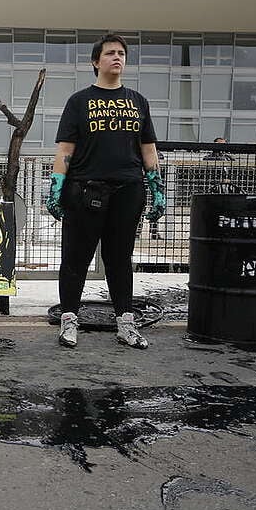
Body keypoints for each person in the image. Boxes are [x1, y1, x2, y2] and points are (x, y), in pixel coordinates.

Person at [46, 33, 165, 350]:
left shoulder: (138, 102)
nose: (117, 57)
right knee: (75, 258)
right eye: (110, 53)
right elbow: (65, 149)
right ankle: (69, 321)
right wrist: (56, 187)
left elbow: (149, 150)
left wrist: (157, 188)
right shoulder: (79, 101)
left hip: (128, 189)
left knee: (119, 258)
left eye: (122, 53)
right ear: (96, 62)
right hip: (85, 189)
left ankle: (126, 323)